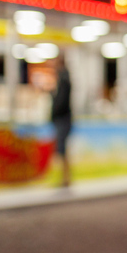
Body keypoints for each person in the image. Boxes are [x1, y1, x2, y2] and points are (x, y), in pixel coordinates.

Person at [50, 54, 72, 187]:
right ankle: (65, 178)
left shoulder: (63, 79)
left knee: (62, 150)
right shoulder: (63, 78)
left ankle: (65, 179)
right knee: (62, 150)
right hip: (63, 118)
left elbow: (61, 102)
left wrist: (53, 114)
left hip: (62, 119)